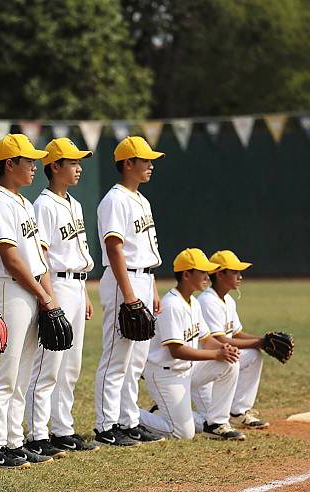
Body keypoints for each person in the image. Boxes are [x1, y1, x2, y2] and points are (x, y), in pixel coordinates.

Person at [0, 134, 59, 468]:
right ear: (9, 164)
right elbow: (11, 258)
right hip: (7, 289)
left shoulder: (24, 204)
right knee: (4, 372)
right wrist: (43, 294)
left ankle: (13, 441)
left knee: (22, 372)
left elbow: (38, 257)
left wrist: (48, 296)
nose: (34, 167)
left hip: (29, 290)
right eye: (28, 161)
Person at [24, 138, 99, 456]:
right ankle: (37, 433)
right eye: (73, 162)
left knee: (71, 363)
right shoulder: (43, 205)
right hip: (55, 284)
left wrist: (84, 294)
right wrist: (49, 300)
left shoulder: (74, 204)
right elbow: (41, 255)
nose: (79, 167)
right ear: (55, 167)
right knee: (48, 363)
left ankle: (62, 428)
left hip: (76, 285)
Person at [93, 136, 165, 446]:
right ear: (127, 164)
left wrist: (153, 289)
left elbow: (145, 248)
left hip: (144, 279)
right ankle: (107, 425)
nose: (150, 165)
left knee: (136, 358)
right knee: (116, 356)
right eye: (144, 160)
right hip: (126, 280)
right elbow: (114, 248)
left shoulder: (142, 200)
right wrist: (130, 294)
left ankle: (128, 420)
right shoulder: (115, 199)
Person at [137, 248, 245, 441]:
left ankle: (217, 423)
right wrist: (216, 355)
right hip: (165, 374)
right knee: (182, 433)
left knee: (230, 363)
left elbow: (205, 339)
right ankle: (129, 414)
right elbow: (177, 350)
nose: (207, 276)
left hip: (187, 371)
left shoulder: (193, 303)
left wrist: (223, 349)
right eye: (202, 272)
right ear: (186, 275)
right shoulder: (171, 304)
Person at [197, 250, 268, 429]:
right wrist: (260, 342)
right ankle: (163, 411)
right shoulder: (207, 301)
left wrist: (263, 340)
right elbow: (220, 339)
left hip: (222, 361)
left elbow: (236, 334)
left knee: (253, 355)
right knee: (205, 422)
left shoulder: (228, 300)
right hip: (203, 368)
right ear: (220, 274)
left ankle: (238, 411)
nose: (240, 276)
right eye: (235, 272)